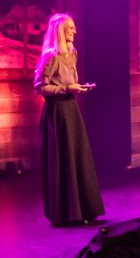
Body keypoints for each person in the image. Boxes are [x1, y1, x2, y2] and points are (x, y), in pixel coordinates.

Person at [34, 13, 102, 226]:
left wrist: (78, 87)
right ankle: (65, 213)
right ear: (60, 32)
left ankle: (83, 209)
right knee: (61, 160)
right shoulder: (50, 56)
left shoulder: (72, 53)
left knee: (77, 157)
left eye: (73, 27)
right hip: (57, 113)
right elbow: (40, 87)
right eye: (70, 28)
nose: (74, 31)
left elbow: (70, 81)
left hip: (71, 110)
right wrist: (67, 87)